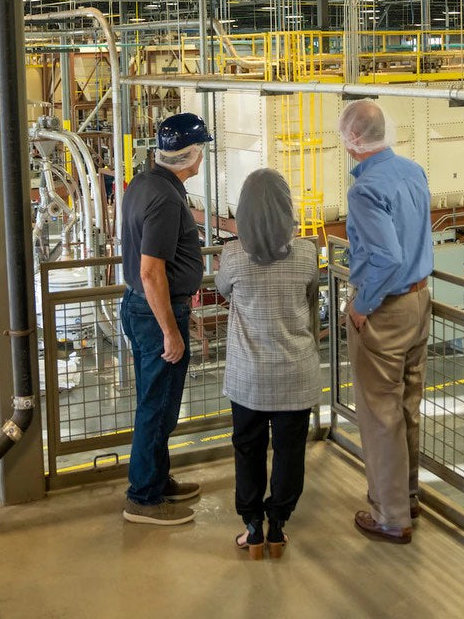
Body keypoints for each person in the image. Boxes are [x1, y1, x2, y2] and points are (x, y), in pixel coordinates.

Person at [338, 99, 434, 544]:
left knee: (380, 416)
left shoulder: (364, 190)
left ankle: (391, 516)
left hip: (386, 310)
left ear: (353, 139)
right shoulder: (413, 171)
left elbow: (386, 256)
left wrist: (362, 305)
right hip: (420, 303)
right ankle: (408, 496)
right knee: (407, 406)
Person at [215, 169, 320, 560]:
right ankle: (278, 526)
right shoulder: (307, 254)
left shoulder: (232, 257)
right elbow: (311, 294)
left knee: (248, 450)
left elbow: (223, 290)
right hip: (296, 373)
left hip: (249, 380)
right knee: (290, 452)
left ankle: (252, 528)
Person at [119, 111, 212, 525]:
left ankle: (156, 478)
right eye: (202, 149)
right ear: (191, 155)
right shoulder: (164, 198)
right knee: (157, 408)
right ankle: (143, 497)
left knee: (157, 404)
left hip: (146, 307)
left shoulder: (145, 182)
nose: (203, 157)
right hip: (154, 313)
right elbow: (150, 270)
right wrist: (170, 331)